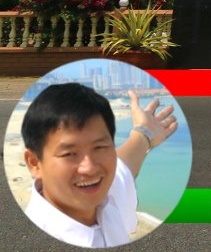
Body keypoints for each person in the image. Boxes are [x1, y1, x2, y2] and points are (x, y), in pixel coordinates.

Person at [21, 83, 178, 248]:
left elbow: (124, 165)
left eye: (99, 147)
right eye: (69, 154)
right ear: (34, 163)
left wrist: (145, 132)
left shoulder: (105, 197)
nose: (90, 168)